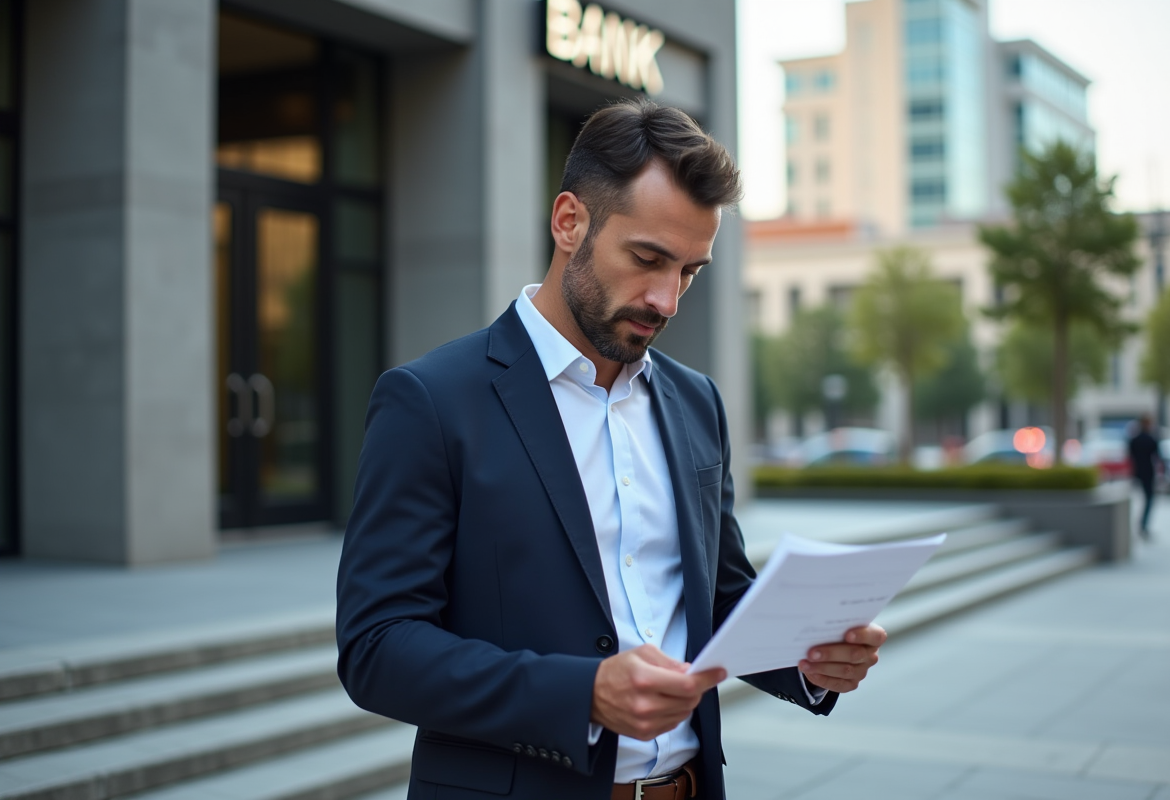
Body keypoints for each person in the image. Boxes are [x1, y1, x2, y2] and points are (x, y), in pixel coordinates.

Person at [335, 99, 885, 800]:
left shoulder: (696, 403)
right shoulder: (431, 400)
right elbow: (377, 647)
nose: (667, 299)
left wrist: (809, 657)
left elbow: (714, 600)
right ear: (569, 222)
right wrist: (582, 692)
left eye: (690, 271)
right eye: (648, 258)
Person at [1128, 415, 1161, 540]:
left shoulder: (1134, 439)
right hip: (1148, 473)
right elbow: (1158, 457)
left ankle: (1140, 525)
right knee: (1149, 500)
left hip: (1137, 473)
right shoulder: (1151, 439)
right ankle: (1143, 526)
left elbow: (1129, 456)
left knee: (1139, 500)